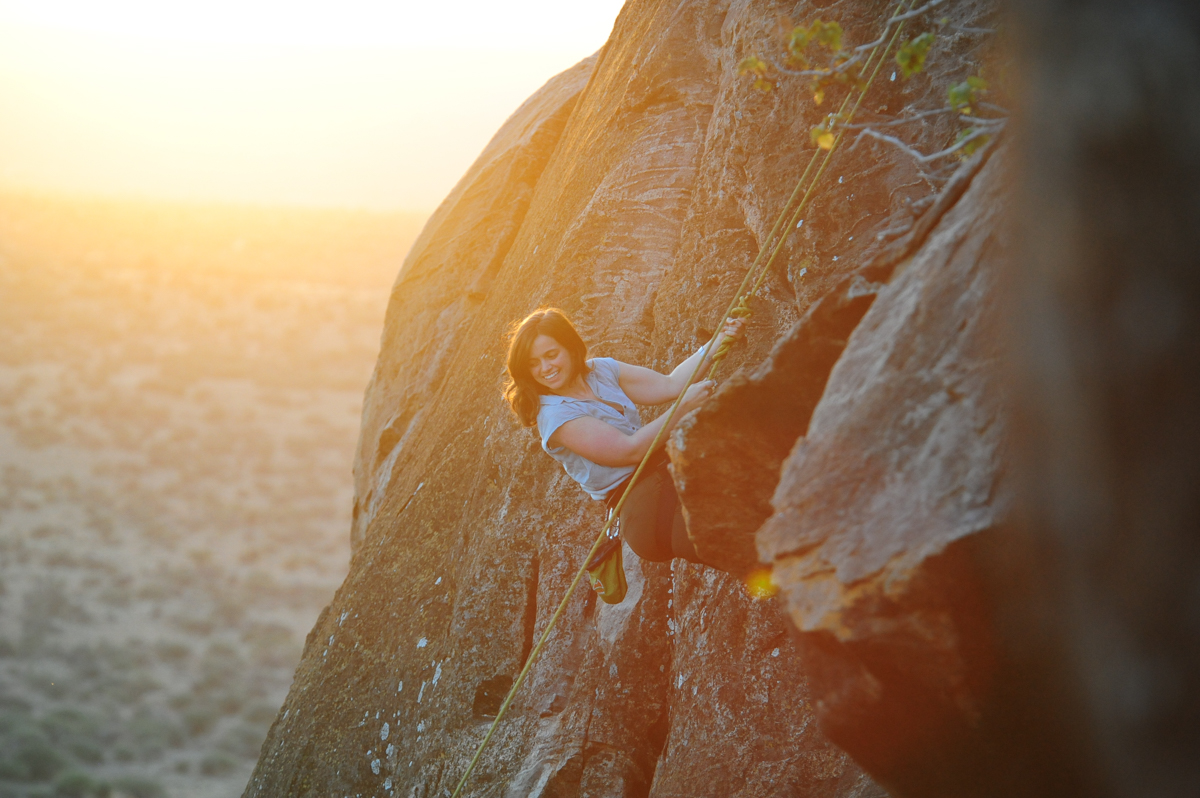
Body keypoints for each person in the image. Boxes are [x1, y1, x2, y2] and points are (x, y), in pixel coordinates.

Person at [502, 307, 743, 566]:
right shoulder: (555, 416)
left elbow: (670, 384)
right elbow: (630, 450)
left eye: (551, 355)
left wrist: (720, 338)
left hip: (667, 474)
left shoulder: (601, 371)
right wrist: (682, 408)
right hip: (647, 507)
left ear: (570, 347)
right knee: (738, 544)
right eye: (533, 363)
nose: (545, 368)